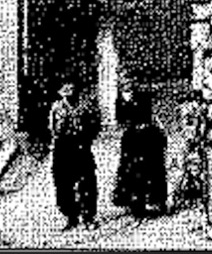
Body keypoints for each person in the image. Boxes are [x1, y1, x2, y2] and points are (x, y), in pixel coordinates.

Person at [49, 81, 101, 231]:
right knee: (64, 185)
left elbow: (95, 125)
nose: (69, 93)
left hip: (81, 148)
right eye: (65, 90)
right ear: (60, 92)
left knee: (87, 183)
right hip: (63, 149)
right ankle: (71, 217)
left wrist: (87, 139)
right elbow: (53, 129)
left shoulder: (86, 107)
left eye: (72, 89)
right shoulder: (56, 108)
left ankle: (88, 217)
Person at [113, 86, 167, 218]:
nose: (127, 86)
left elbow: (152, 117)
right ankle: (135, 203)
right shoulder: (119, 101)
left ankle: (155, 201)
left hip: (148, 138)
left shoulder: (144, 97)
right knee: (131, 171)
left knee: (151, 170)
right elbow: (120, 120)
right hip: (131, 140)